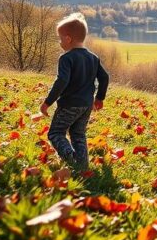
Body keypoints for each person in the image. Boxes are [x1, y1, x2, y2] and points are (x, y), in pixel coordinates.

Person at [41, 12, 109, 171]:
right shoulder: (93, 58)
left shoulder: (66, 58)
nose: (59, 42)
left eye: (60, 38)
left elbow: (62, 81)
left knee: (55, 133)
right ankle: (83, 165)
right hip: (86, 105)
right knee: (78, 134)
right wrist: (99, 98)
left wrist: (47, 102)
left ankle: (70, 157)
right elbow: (104, 78)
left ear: (68, 39)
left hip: (69, 104)